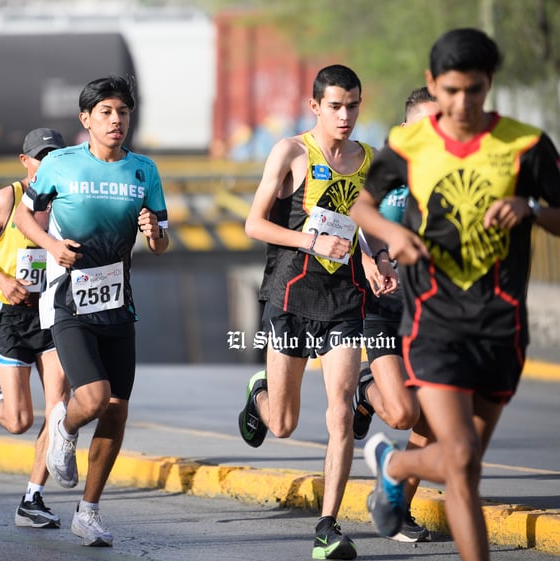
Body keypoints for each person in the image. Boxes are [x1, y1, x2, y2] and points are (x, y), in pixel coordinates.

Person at [350, 28, 560, 561]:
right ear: (432, 85)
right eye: (450, 91)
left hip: (501, 323)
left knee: (462, 462)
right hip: (434, 322)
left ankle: (393, 465)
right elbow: (362, 207)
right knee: (462, 459)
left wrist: (532, 211)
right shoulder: (408, 145)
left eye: (474, 90)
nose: (462, 103)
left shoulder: (525, 145)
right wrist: (395, 235)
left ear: (489, 84)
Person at [13, 75, 169, 547]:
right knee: (95, 398)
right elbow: (24, 215)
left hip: (119, 301)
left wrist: (153, 232)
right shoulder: (60, 164)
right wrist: (51, 245)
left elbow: (161, 243)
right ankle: (63, 423)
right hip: (70, 300)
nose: (115, 120)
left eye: (122, 112)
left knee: (117, 410)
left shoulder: (144, 170)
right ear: (86, 120)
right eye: (105, 112)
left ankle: (89, 511)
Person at [238, 64, 372, 560]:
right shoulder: (292, 152)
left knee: (340, 413)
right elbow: (254, 224)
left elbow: (371, 229)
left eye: (353, 105)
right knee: (285, 425)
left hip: (344, 301)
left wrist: (377, 260)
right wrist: (312, 240)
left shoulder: (369, 162)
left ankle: (327, 527)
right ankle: (259, 398)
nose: (345, 115)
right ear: (315, 106)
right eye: (335, 106)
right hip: (291, 296)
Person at [0, 128, 70, 529]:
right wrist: (2, 281)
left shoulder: (68, 199)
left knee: (59, 408)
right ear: (25, 161)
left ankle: (32, 498)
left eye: (57, 156)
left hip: (55, 314)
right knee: (20, 421)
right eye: (42, 157)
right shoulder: (8, 198)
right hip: (12, 317)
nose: (49, 164)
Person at [352, 87, 439, 543]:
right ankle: (365, 391)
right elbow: (351, 217)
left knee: (434, 416)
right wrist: (375, 258)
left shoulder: (453, 171)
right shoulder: (380, 166)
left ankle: (397, 506)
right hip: (380, 308)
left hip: (432, 311)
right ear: (406, 129)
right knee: (404, 414)